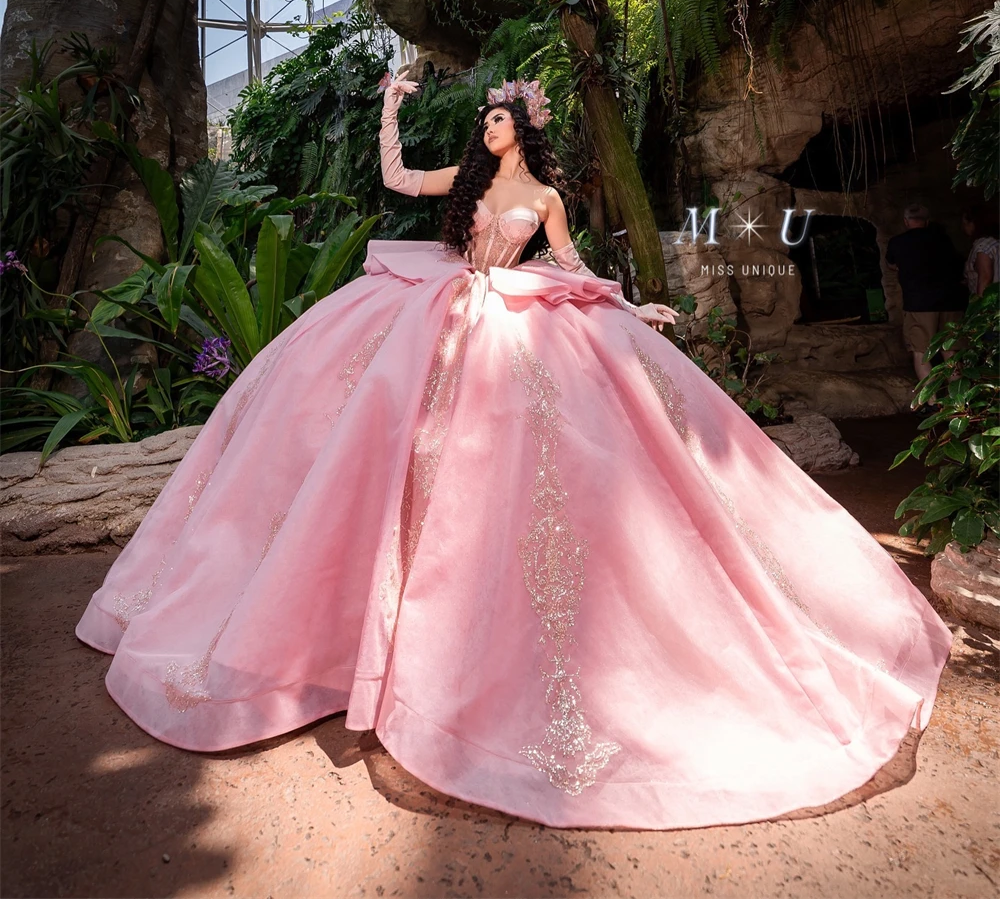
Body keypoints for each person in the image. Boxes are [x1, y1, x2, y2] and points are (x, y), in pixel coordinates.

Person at [76, 74, 952, 832]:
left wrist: (627, 306)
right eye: (487, 121)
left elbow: (569, 265)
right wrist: (390, 107)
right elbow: (391, 175)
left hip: (509, 323)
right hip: (432, 312)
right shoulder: (463, 179)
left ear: (523, 131)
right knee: (362, 435)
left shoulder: (545, 200)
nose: (488, 127)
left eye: (500, 119)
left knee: (507, 477)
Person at [885, 203, 966, 382]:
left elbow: (891, 264)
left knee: (921, 353)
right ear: (927, 221)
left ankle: (931, 403)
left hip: (919, 304)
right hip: (950, 303)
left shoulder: (898, 242)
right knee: (950, 351)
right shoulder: (944, 240)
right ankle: (959, 403)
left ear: (906, 221)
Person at [961, 206, 1000, 298]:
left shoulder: (983, 245)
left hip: (991, 305)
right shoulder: (995, 242)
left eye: (964, 223)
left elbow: (985, 278)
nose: (963, 227)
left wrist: (981, 308)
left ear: (973, 223)